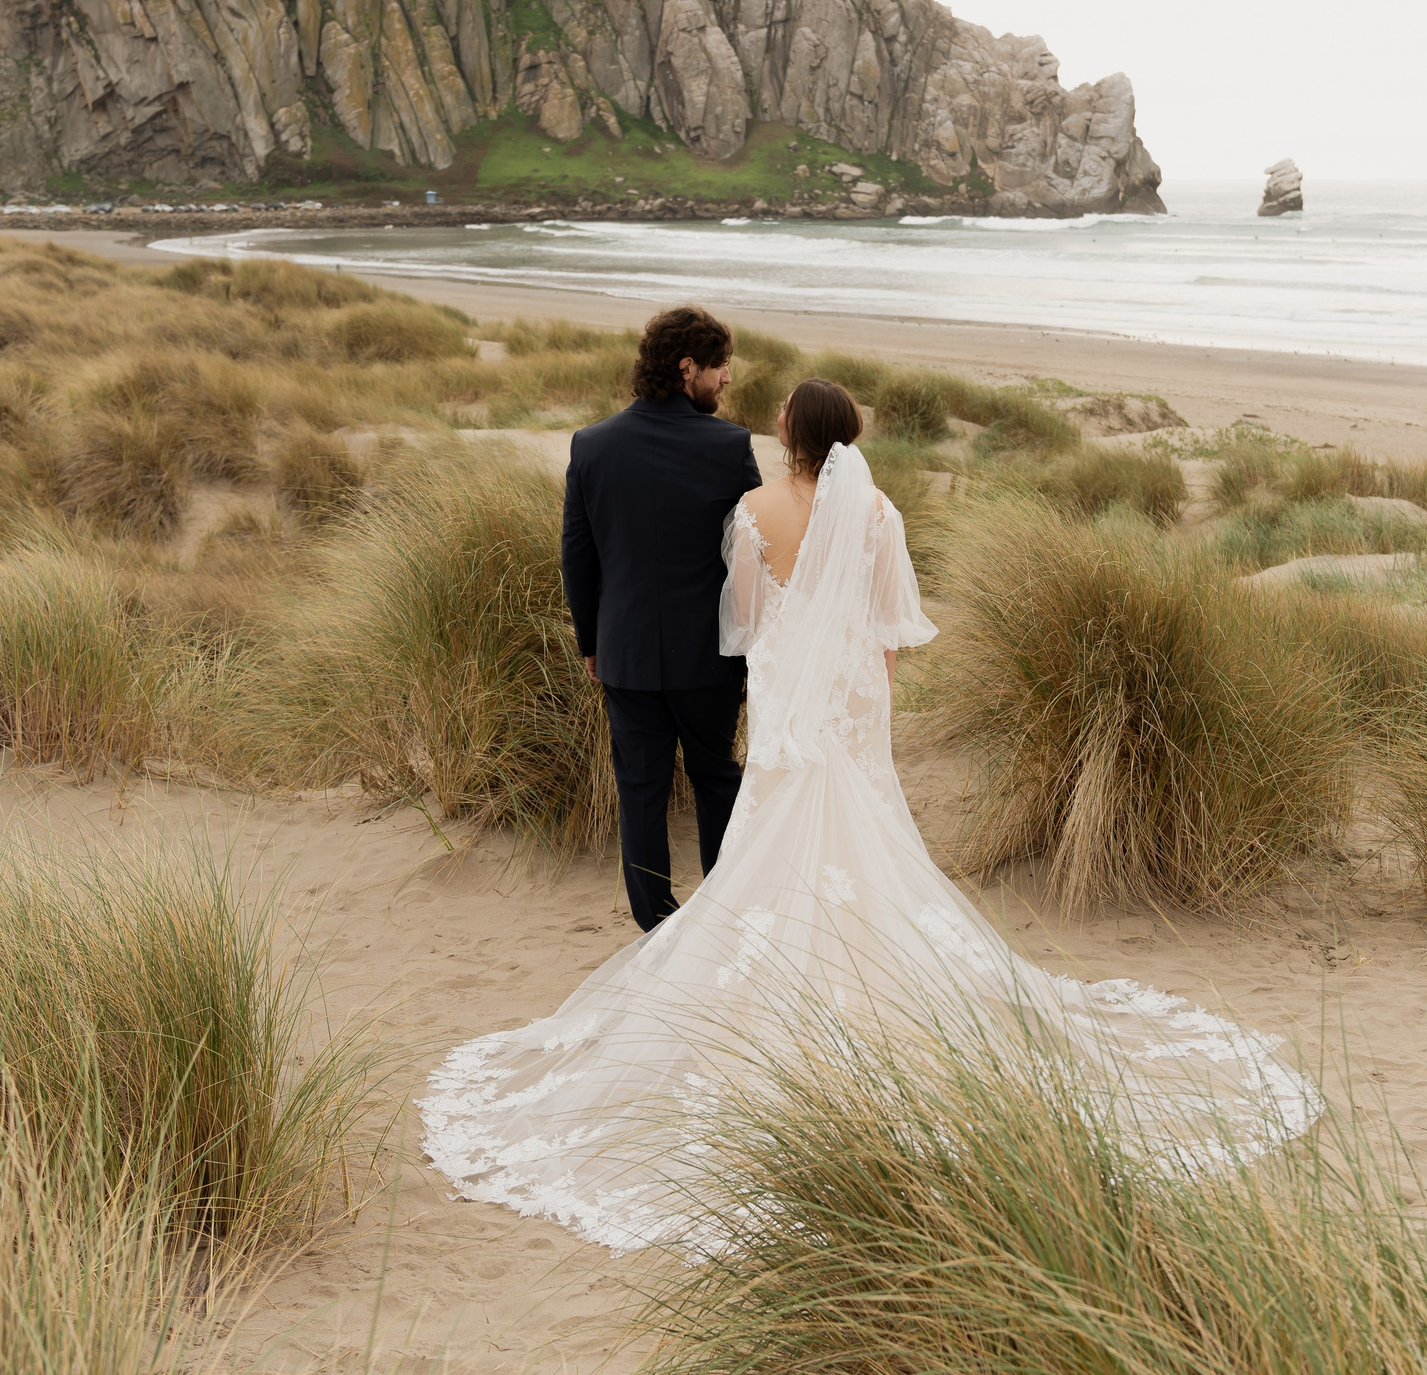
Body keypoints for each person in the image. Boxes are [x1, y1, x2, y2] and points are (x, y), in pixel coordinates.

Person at [424, 376, 1321, 1255]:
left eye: (780, 414)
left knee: (772, 839)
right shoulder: (881, 512)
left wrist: (787, 656)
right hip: (853, 704)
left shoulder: (754, 509)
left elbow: (741, 623)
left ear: (794, 432)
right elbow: (892, 625)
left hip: (783, 702)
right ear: (846, 433)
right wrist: (863, 694)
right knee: (863, 835)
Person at [559, 305, 762, 932]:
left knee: (642, 790)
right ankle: (722, 916)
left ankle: (657, 925)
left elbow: (577, 554)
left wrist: (592, 642)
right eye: (720, 366)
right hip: (710, 655)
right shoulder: (729, 447)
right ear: (687, 368)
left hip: (624, 653)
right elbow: (750, 553)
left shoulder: (592, 444)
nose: (727, 378)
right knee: (716, 777)